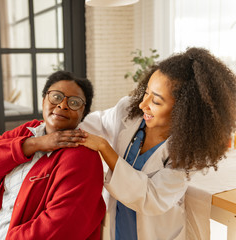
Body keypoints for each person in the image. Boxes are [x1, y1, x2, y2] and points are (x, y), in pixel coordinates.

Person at [75, 47, 236, 239]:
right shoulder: (129, 110)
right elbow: (92, 126)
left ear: (183, 110)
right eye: (146, 93)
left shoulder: (190, 153)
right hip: (117, 228)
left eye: (157, 101)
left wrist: (104, 148)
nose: (143, 104)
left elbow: (152, 198)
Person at [0, 71, 106, 240]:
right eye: (56, 97)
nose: (63, 105)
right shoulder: (29, 130)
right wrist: (38, 143)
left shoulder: (82, 156)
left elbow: (60, 229)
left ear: (83, 113)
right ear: (44, 101)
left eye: (74, 102)